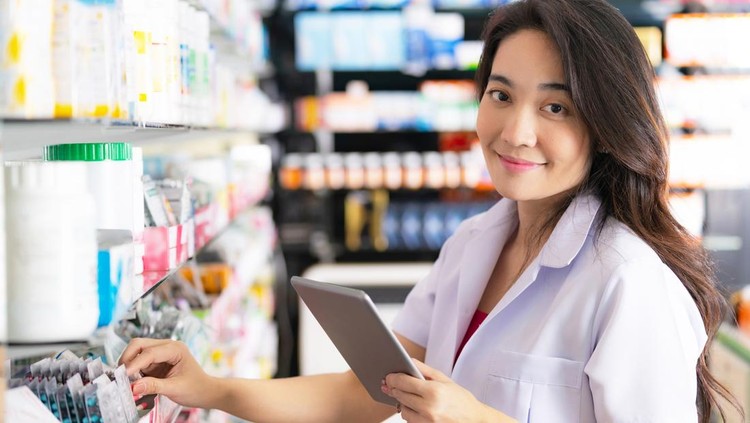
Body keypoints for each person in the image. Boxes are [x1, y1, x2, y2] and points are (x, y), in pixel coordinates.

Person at [120, 0, 740, 421]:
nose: (515, 131)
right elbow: (368, 395)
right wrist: (212, 388)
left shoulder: (630, 283)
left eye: (556, 107)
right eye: (501, 95)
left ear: (606, 125)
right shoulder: (475, 243)